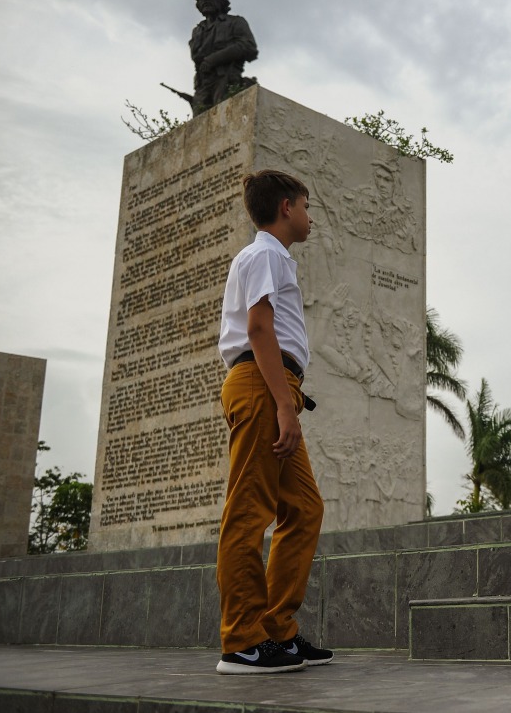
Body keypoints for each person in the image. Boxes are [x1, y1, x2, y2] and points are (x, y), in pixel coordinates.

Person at [215, 168, 331, 674]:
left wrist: (287, 399)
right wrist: (285, 405)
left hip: (276, 386)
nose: (310, 216)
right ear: (287, 207)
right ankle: (242, 641)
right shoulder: (264, 254)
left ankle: (277, 630)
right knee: (249, 510)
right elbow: (259, 328)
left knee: (303, 508)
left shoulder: (273, 257)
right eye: (306, 206)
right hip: (263, 385)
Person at [190, 0, 258, 116]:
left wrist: (214, 59)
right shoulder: (197, 31)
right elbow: (195, 56)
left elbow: (248, 46)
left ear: (220, 1)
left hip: (226, 78)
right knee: (198, 121)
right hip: (202, 83)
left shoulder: (235, 22)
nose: (205, 0)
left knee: (224, 116)